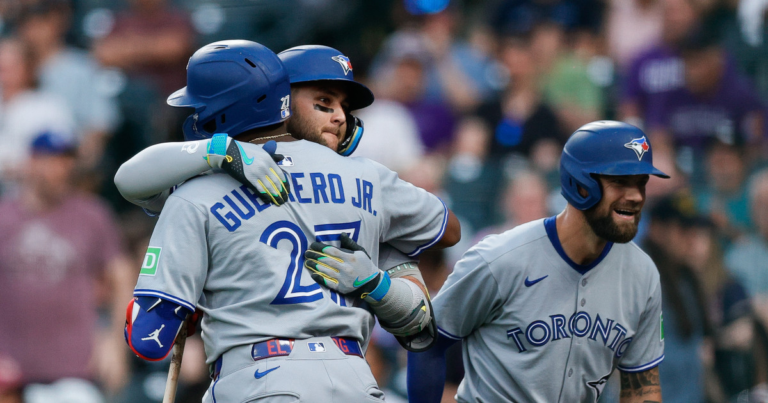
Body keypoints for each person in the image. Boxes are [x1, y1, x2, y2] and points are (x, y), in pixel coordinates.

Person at [123, 40, 460, 402]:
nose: (340, 117)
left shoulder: (196, 189)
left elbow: (148, 336)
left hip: (258, 379)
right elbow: (448, 234)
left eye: (342, 107)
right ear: (282, 102)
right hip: (355, 379)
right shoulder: (368, 178)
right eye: (323, 102)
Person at [405, 121, 668, 402]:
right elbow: (427, 341)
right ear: (580, 184)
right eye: (620, 182)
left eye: (641, 183)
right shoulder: (500, 258)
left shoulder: (643, 274)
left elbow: (642, 386)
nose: (637, 196)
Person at [0, 132, 133, 394]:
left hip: (76, 370)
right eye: (53, 160)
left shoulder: (91, 214)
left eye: (67, 161)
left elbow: (122, 275)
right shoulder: (5, 216)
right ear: (31, 162)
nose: (62, 169)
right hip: (12, 371)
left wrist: (116, 343)